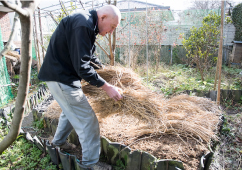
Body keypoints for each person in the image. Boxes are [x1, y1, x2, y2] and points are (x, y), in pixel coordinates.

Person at [38, 5, 122, 169]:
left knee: (69, 112)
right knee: (88, 122)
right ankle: (89, 165)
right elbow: (82, 67)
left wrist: (103, 70)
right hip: (62, 78)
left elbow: (87, 55)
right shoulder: (83, 24)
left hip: (60, 76)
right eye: (112, 27)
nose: (111, 32)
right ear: (103, 17)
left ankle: (59, 143)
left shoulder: (87, 24)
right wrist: (107, 87)